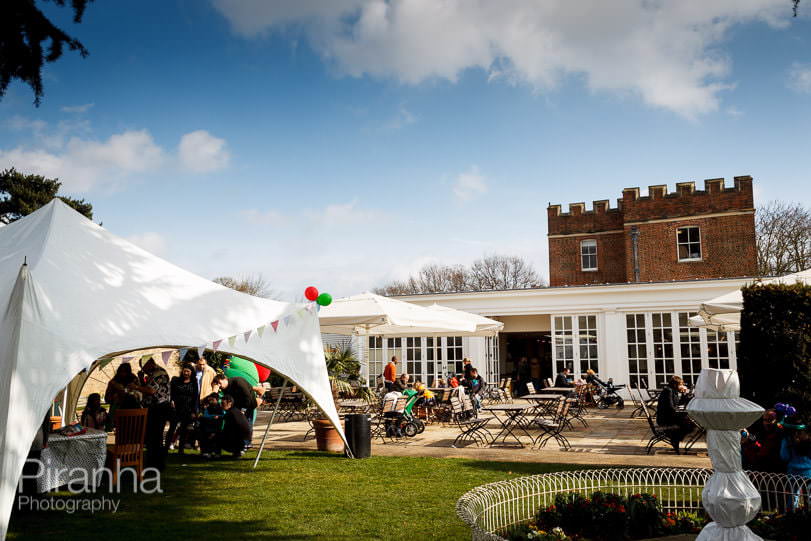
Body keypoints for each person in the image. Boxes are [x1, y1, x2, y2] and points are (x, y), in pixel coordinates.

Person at [132, 356, 172, 469]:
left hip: (160, 408)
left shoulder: (159, 373)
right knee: (151, 436)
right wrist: (140, 379)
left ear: (149, 363)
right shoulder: (152, 374)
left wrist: (135, 386)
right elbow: (147, 389)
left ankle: (158, 463)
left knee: (156, 436)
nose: (142, 369)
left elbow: (151, 391)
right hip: (153, 407)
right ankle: (152, 461)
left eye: (142, 366)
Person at [213, 374, 264, 448]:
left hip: (248, 405)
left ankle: (247, 443)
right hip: (237, 408)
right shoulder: (225, 388)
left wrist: (243, 410)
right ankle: (240, 443)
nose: (219, 385)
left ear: (224, 379)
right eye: (217, 384)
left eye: (219, 383)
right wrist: (215, 391)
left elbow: (247, 397)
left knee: (247, 423)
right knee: (237, 426)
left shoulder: (238, 381)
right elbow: (227, 400)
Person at [656, 375, 694, 453]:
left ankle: (675, 439)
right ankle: (674, 439)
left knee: (690, 422)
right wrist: (680, 413)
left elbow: (678, 404)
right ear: (675, 384)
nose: (682, 386)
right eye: (681, 384)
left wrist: (684, 394)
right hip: (665, 419)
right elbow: (671, 408)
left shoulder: (673, 391)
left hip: (669, 416)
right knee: (688, 424)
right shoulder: (668, 391)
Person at [166, 363, 199, 453]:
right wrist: (171, 401)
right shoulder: (176, 381)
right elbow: (171, 393)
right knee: (172, 428)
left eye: (188, 371)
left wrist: (193, 411)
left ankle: (181, 449)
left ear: (191, 373)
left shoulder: (194, 383)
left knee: (184, 429)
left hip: (187, 408)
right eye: (184, 371)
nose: (186, 373)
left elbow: (195, 397)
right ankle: (166, 446)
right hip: (176, 408)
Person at [780, 429, 811, 508]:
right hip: (808, 471)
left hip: (793, 472)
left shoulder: (787, 440)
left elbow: (784, 457)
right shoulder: (808, 439)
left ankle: (793, 515)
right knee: (809, 496)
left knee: (793, 497)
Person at [104, 362, 141, 427]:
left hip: (133, 411)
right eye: (121, 371)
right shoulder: (113, 382)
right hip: (118, 411)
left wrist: (132, 391)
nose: (123, 373)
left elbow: (139, 396)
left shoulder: (134, 379)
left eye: (125, 371)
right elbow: (107, 399)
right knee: (121, 431)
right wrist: (115, 396)